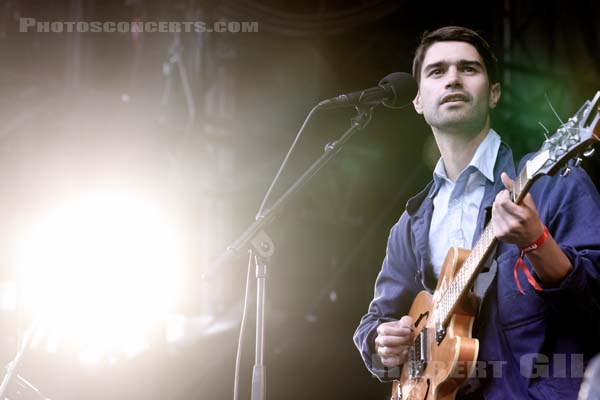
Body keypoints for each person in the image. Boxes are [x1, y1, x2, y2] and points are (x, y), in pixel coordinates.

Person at [353, 26, 600, 399]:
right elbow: (376, 321)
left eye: (469, 69)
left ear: (494, 94)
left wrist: (537, 242)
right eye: (437, 71)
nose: (453, 78)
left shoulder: (552, 183)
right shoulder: (411, 222)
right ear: (418, 101)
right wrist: (380, 342)